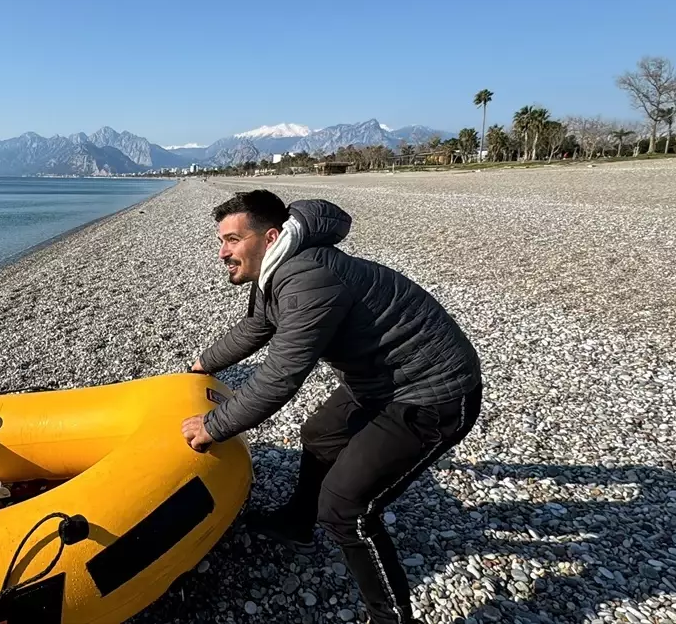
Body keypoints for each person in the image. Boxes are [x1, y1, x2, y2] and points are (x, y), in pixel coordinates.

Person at [181, 190, 482, 624]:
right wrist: (201, 365)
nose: (223, 252)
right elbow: (257, 326)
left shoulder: (307, 278)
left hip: (432, 394)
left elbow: (281, 376)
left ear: (269, 236)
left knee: (345, 509)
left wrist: (214, 426)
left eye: (232, 240)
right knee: (321, 433)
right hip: (382, 382)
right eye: (220, 241)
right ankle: (298, 525)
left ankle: (392, 618)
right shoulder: (281, 268)